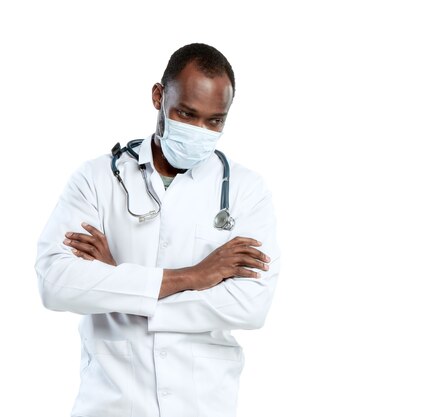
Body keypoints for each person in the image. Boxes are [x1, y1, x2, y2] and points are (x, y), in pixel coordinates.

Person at [35, 43, 280, 417]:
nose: (200, 130)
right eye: (187, 113)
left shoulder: (248, 191)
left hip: (203, 403)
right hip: (111, 402)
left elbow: (250, 307)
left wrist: (116, 282)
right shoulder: (97, 179)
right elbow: (56, 284)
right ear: (158, 96)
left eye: (215, 121)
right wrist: (195, 276)